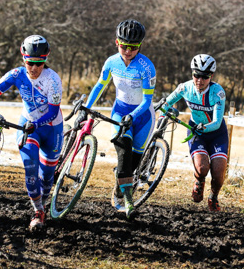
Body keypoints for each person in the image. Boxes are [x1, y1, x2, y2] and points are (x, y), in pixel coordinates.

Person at [0, 35, 63, 231]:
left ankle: (44, 203)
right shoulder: (16, 74)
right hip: (28, 126)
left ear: (45, 60)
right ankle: (38, 211)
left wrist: (37, 123)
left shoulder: (53, 80)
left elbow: (53, 111)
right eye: (30, 63)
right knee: (30, 167)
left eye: (39, 63)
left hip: (51, 128)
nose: (34, 68)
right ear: (24, 59)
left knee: (47, 176)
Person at [84, 19, 156, 219]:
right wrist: (86, 108)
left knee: (132, 163)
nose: (128, 51)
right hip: (120, 111)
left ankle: (119, 186)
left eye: (133, 47)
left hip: (143, 116)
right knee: (123, 151)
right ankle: (128, 201)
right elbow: (100, 86)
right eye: (124, 46)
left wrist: (132, 117)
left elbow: (147, 100)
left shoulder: (147, 67)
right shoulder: (111, 62)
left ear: (140, 46)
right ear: (117, 42)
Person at [159, 54, 228, 212]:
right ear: (192, 74)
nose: (200, 80)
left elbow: (217, 122)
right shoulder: (185, 88)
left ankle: (214, 196)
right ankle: (199, 181)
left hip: (217, 133)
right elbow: (166, 102)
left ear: (211, 76)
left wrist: (204, 127)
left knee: (218, 173)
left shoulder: (218, 93)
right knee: (202, 167)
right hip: (196, 131)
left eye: (205, 77)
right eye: (196, 75)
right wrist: (162, 113)